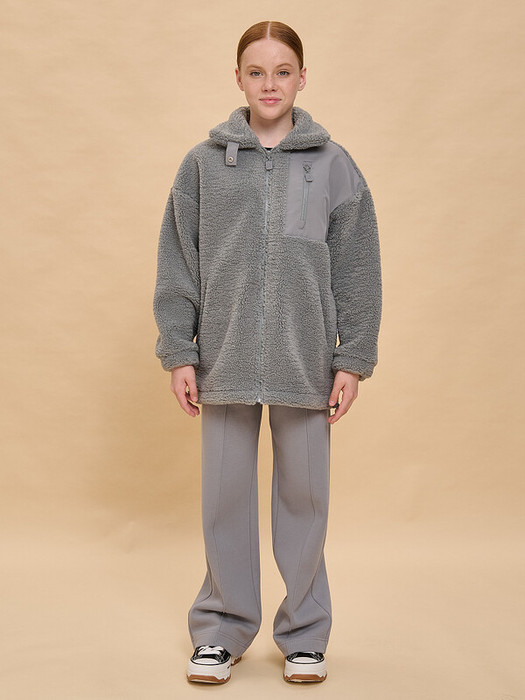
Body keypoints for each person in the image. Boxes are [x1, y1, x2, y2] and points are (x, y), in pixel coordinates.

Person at [153, 20, 382, 685]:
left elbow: (357, 268)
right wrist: (179, 350)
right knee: (224, 499)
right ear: (238, 79)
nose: (270, 84)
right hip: (222, 359)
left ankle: (305, 634)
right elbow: (178, 261)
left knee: (304, 500)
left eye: (282, 71)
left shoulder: (333, 165)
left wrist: (352, 357)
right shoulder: (203, 165)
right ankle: (221, 630)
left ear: (302, 78)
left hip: (304, 359)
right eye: (256, 72)